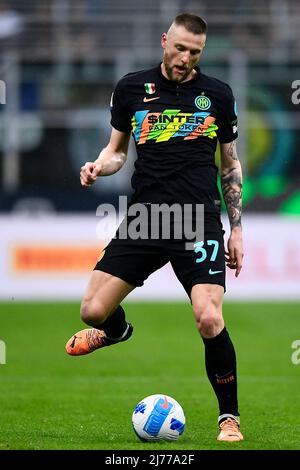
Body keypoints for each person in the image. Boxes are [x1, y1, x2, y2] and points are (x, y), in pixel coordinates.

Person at [66, 12, 244, 442]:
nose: (185, 59)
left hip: (198, 220)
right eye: (180, 48)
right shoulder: (131, 88)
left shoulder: (217, 95)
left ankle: (229, 418)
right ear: (165, 40)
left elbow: (231, 165)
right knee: (91, 310)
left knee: (208, 317)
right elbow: (116, 153)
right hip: (147, 217)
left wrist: (236, 228)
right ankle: (116, 331)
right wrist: (97, 167)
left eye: (195, 52)